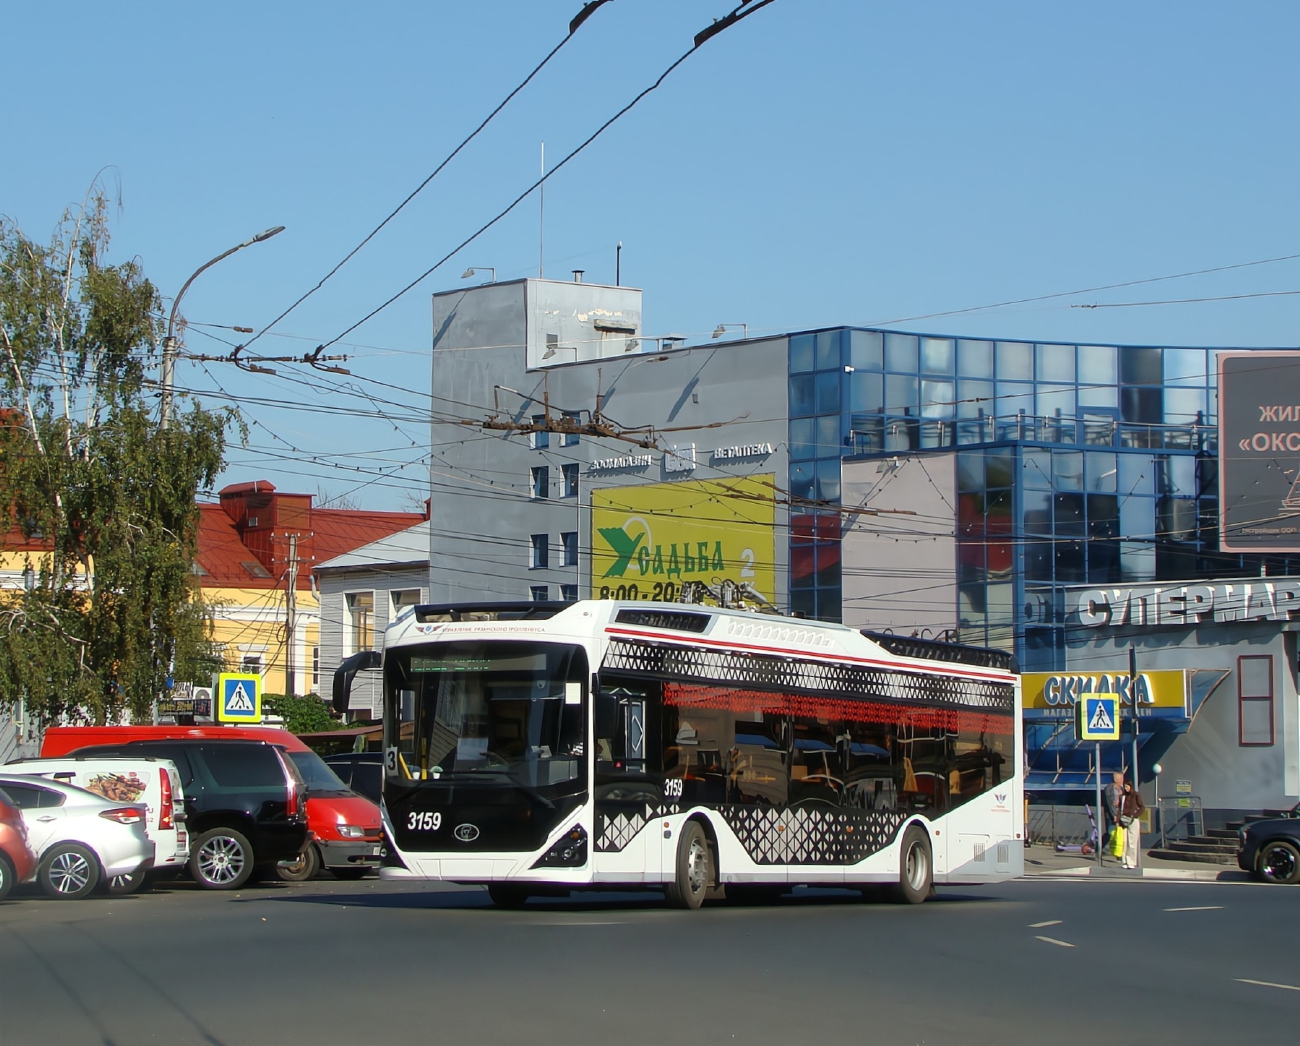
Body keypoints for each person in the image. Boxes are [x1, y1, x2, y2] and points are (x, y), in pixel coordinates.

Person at [1119, 780, 1146, 870]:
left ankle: (1131, 862)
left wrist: (1134, 815)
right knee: (1124, 841)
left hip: (1132, 820)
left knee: (1132, 842)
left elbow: (1142, 807)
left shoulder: (1136, 795)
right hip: (1123, 820)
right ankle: (1125, 861)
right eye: (1125, 787)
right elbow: (1120, 808)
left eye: (1127, 786)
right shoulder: (1123, 796)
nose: (1126, 788)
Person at [1102, 772, 1123, 858]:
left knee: (1121, 834)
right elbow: (1109, 803)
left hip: (1121, 814)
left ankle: (1119, 854)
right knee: (1110, 832)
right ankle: (1100, 847)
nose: (1122, 780)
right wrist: (1114, 815)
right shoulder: (1109, 789)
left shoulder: (1123, 789)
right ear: (1115, 779)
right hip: (1112, 815)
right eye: (1120, 778)